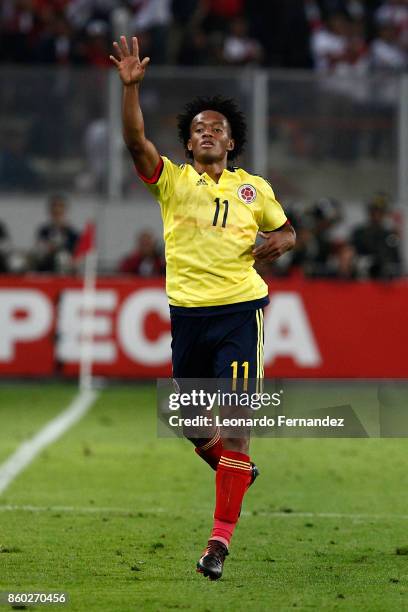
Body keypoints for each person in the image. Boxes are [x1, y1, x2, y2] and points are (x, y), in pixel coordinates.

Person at [110, 36, 296, 581]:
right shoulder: (172, 181)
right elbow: (135, 139)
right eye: (196, 129)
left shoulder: (253, 189)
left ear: (231, 140)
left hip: (240, 312)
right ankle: (235, 471)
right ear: (188, 146)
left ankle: (218, 543)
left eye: (216, 127)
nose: (206, 132)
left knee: (237, 429)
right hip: (187, 316)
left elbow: (286, 230)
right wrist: (132, 90)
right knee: (190, 423)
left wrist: (284, 241)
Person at [34, 195, 79, 273]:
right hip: (46, 270)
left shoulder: (72, 233)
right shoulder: (44, 231)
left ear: (65, 210)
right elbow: (40, 250)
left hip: (67, 273)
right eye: (54, 207)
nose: (57, 209)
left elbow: (76, 254)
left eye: (60, 207)